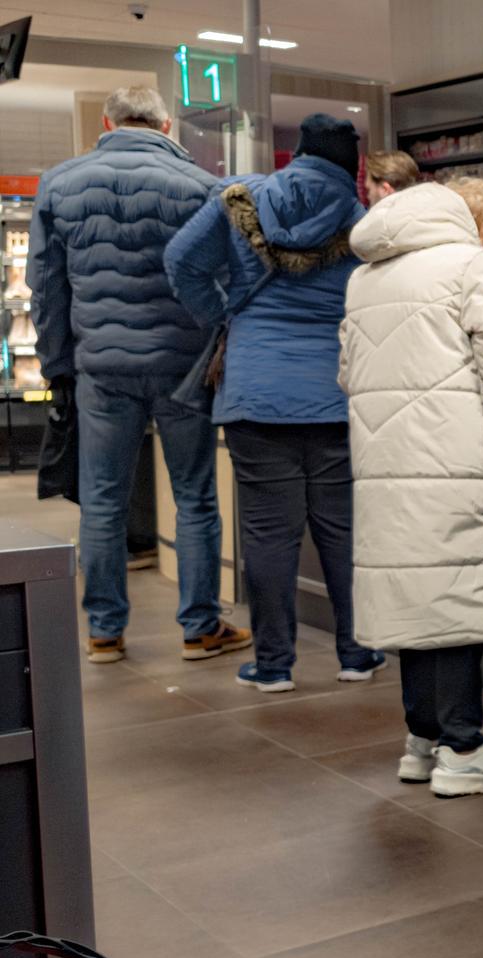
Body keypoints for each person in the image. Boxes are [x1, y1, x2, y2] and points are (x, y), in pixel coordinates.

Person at [27, 85, 249, 665]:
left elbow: (47, 286)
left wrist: (57, 365)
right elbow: (224, 279)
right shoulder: (202, 186)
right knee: (195, 496)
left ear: (107, 121)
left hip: (101, 366)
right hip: (184, 364)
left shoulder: (61, 182)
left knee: (102, 500)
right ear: (167, 125)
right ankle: (200, 627)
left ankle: (104, 631)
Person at [165, 114, 383, 694]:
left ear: (298, 155)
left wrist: (227, 317)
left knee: (267, 534)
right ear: (351, 168)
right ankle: (357, 653)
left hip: (254, 391)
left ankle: (274, 665)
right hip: (336, 395)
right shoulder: (362, 223)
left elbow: (181, 263)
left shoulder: (241, 198)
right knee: (341, 528)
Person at [338, 177, 483, 795]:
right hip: (449, 452)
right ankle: (463, 746)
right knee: (452, 591)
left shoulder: (365, 275)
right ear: (482, 228)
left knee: (413, 593)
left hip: (383, 458)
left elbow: (348, 372)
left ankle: (421, 740)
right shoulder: (468, 264)